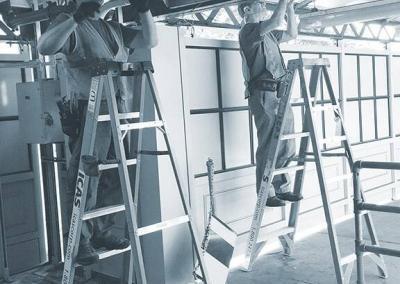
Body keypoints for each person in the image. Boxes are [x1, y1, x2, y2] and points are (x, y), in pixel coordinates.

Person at [38, 0, 157, 264]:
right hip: (89, 109)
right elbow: (45, 47)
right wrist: (77, 17)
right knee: (85, 177)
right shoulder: (70, 23)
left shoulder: (113, 27)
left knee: (113, 174)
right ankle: (78, 241)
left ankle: (101, 231)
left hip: (116, 108)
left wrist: (144, 9)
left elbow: (149, 41)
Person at [238, 0, 302, 207]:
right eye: (260, 3)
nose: (264, 5)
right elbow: (275, 21)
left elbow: (292, 34)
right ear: (247, 10)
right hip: (262, 94)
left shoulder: (269, 35)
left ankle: (281, 187)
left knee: (287, 144)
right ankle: (266, 192)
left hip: (280, 93)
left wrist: (290, 8)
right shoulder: (248, 31)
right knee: (268, 144)